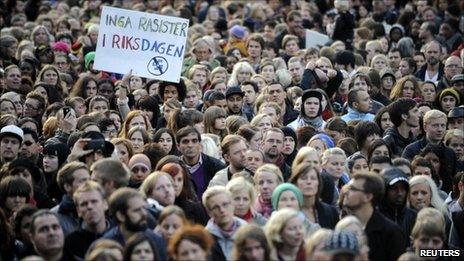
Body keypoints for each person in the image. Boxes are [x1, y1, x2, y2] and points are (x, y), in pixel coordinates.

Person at [343, 172, 406, 261]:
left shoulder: (391, 232)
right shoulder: (344, 225)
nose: (346, 192)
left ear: (368, 197)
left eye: (352, 189)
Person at [103, 188, 167, 259]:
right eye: (137, 210)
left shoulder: (156, 241)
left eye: (144, 208)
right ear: (120, 216)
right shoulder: (106, 246)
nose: (144, 213)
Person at [64, 181, 111, 260]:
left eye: (94, 201)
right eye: (84, 204)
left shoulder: (120, 234)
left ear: (105, 204)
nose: (89, 207)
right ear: (78, 210)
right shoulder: (71, 242)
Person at [176, 126, 225, 199]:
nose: (190, 145)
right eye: (185, 141)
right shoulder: (174, 166)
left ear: (200, 144)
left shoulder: (216, 166)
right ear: (178, 146)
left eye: (194, 141)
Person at [203, 186, 247, 260]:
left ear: (232, 205)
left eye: (225, 204)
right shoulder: (204, 238)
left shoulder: (247, 231)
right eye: (216, 207)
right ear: (209, 212)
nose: (222, 210)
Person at [289, 162, 339, 229]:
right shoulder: (287, 211)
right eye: (304, 178)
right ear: (295, 183)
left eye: (313, 178)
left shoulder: (331, 212)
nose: (309, 182)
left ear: (318, 183)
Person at [379, 167, 417, 246]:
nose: (400, 193)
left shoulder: (414, 217)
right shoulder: (375, 217)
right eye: (394, 188)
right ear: (384, 190)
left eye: (403, 188)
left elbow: (428, 252)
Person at [52, 161, 90, 236]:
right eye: (83, 181)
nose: (89, 184)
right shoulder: (54, 217)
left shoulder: (99, 208)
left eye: (90, 180)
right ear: (67, 187)